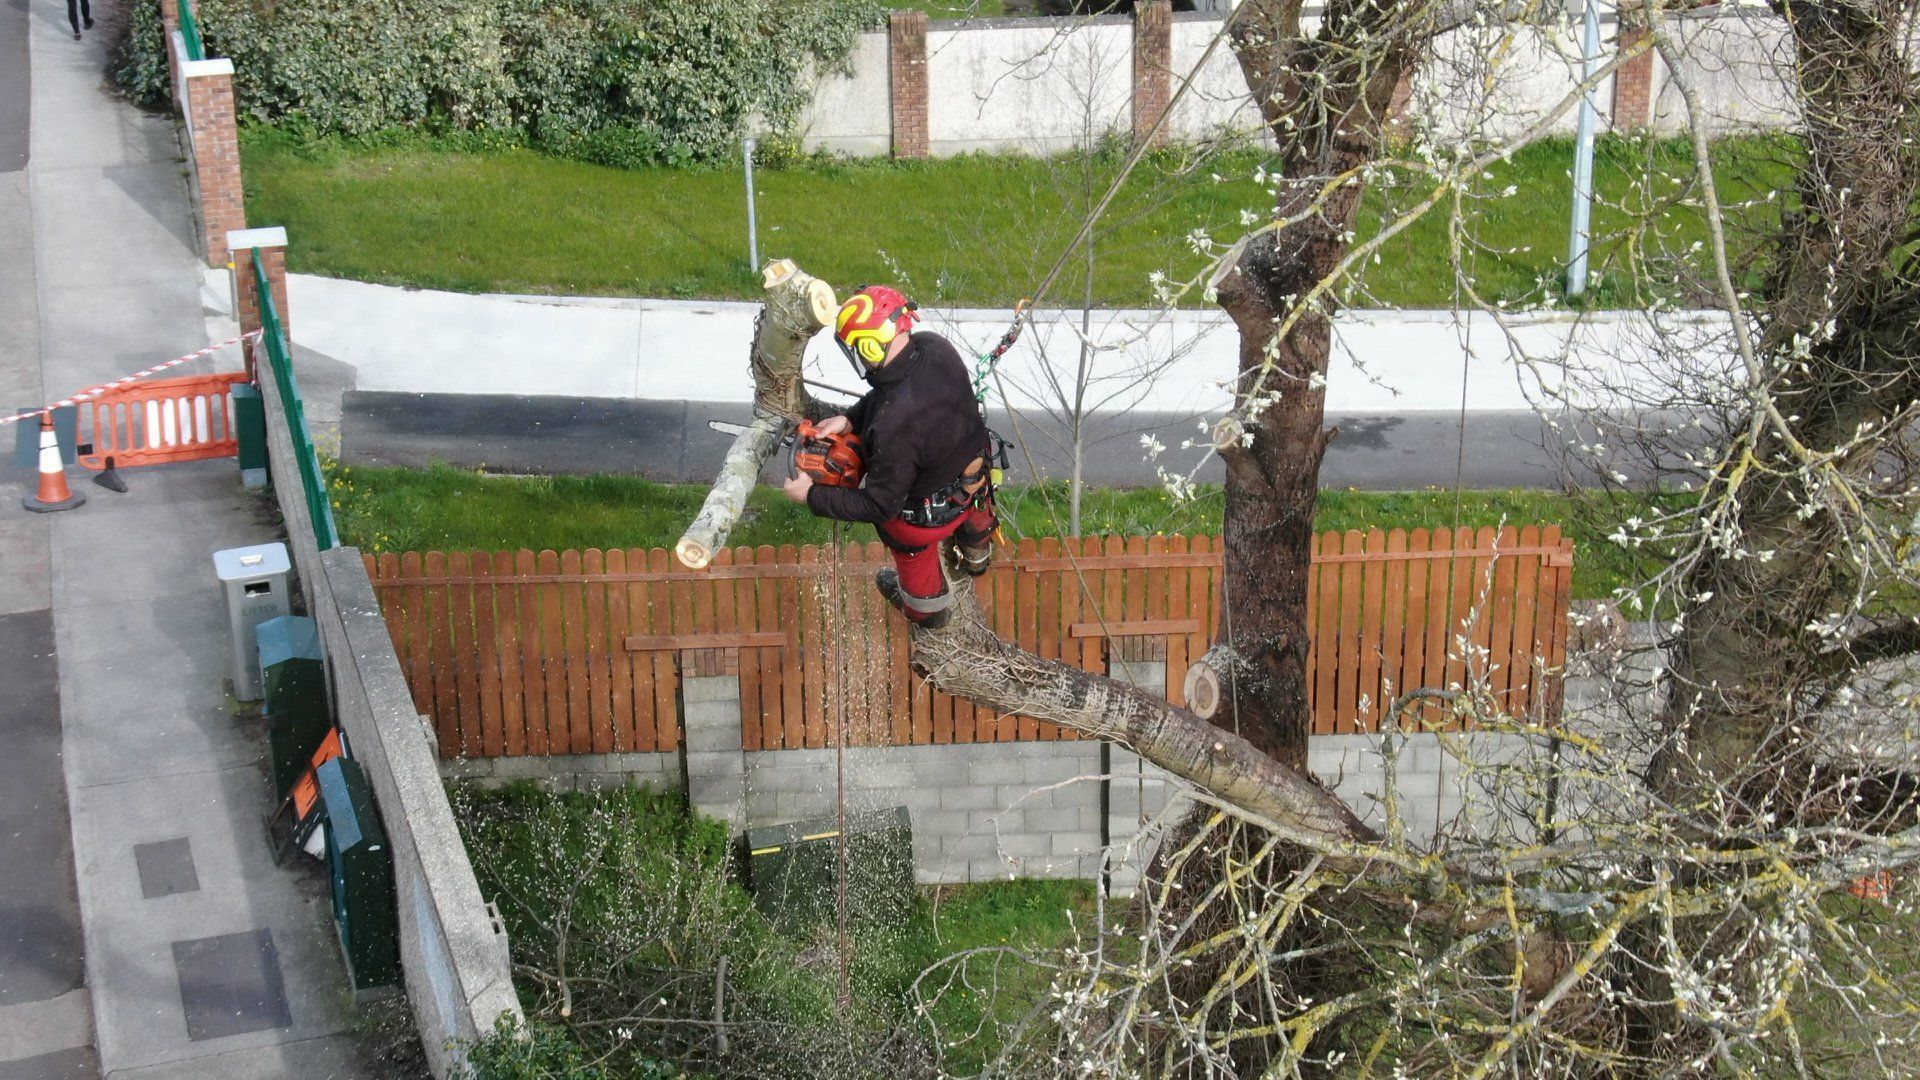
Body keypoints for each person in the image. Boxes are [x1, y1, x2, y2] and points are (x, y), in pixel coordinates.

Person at [783, 285, 998, 630]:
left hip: (926, 520)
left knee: (903, 537)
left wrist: (811, 495)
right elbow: (887, 390)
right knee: (976, 499)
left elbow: (879, 506)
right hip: (975, 479)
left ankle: (929, 611)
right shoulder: (934, 347)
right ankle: (976, 553)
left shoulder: (891, 425)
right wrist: (851, 418)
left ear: (870, 345)